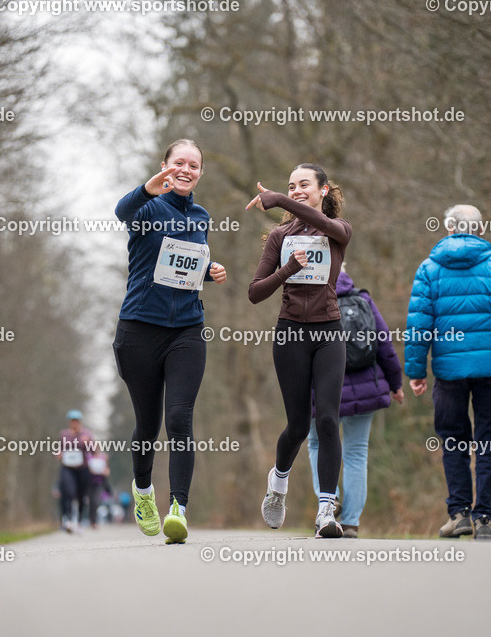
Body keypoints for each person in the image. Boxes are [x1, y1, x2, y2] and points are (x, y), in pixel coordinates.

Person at [113, 139, 227, 545]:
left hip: (186, 331)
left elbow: (183, 272)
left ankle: (179, 507)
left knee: (179, 419)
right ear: (164, 166)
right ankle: (144, 491)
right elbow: (121, 211)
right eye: (178, 162)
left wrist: (207, 273)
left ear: (200, 172)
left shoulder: (200, 215)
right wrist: (148, 188)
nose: (186, 168)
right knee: (148, 424)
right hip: (139, 329)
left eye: (193, 164)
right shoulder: (146, 207)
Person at [405, 204, 491, 541]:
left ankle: (459, 513)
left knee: (453, 441)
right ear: (478, 229)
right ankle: (485, 517)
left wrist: (416, 371)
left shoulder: (429, 270)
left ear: (448, 228)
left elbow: (419, 325)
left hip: (449, 373)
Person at [247, 163, 352, 538]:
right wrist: (287, 269)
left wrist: (279, 201)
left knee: (327, 419)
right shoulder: (278, 237)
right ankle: (278, 484)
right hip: (290, 334)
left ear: (323, 190)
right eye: (290, 187)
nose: (295, 191)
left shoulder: (338, 232)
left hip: (329, 331)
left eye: (303, 185)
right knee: (297, 425)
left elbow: (324, 224)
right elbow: (255, 293)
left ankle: (327, 510)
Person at [306, 268, 404, 538]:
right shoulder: (363, 299)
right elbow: (384, 342)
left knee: (316, 443)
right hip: (365, 389)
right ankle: (350, 523)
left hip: (322, 389)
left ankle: (329, 500)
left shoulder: (308, 301)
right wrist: (396, 384)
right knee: (356, 453)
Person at [55, 409, 94, 534]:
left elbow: (93, 451)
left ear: (80, 422)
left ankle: (80, 520)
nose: (74, 423)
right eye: (72, 421)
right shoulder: (64, 434)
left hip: (82, 468)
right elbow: (58, 449)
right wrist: (59, 454)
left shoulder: (87, 434)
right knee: (69, 492)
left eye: (76, 421)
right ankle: (68, 520)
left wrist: (88, 443)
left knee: (82, 496)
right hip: (67, 468)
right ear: (69, 422)